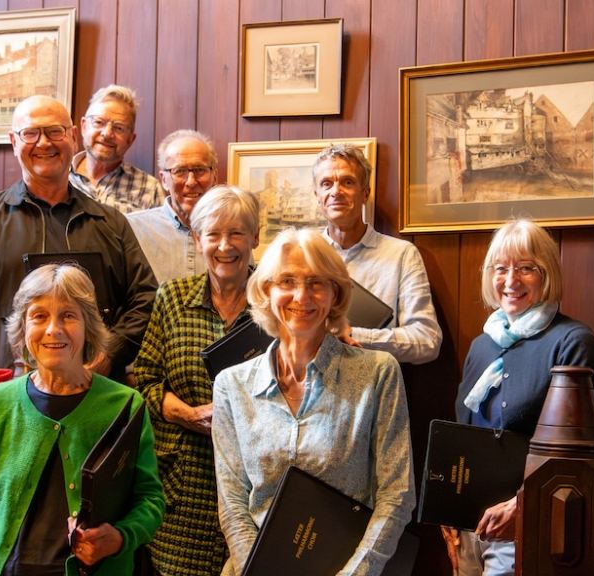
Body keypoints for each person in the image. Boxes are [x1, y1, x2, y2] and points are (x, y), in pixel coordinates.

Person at [0, 95, 157, 407]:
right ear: (14, 142)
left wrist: (110, 353)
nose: (44, 143)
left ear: (71, 136)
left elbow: (147, 299)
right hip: (3, 396)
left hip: (92, 398)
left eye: (54, 132)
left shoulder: (110, 222)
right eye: (30, 134)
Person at [0, 264, 165, 575]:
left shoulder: (125, 405)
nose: (53, 329)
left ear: (88, 326)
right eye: (39, 316)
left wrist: (121, 537)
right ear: (23, 328)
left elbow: (150, 501)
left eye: (68, 315)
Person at [212, 228, 415, 576]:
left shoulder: (378, 374)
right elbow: (231, 502)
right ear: (266, 291)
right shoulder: (232, 385)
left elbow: (397, 495)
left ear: (335, 294)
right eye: (287, 281)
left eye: (317, 283)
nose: (301, 296)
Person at [445, 219, 594, 575]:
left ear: (548, 273)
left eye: (526, 269)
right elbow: (462, 434)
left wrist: (521, 508)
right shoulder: (482, 345)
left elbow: (577, 462)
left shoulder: (573, 342)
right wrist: (448, 513)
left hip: (530, 526)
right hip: (472, 525)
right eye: (500, 268)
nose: (510, 280)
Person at [134, 186, 260, 575]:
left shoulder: (275, 303)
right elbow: (146, 381)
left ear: (255, 238)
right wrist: (187, 414)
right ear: (196, 238)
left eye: (237, 233)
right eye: (213, 234)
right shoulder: (173, 297)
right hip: (184, 484)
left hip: (256, 484)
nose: (225, 246)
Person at [314, 144, 441, 364]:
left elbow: (427, 341)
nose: (336, 191)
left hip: (374, 387)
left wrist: (353, 335)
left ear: (365, 193)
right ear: (317, 195)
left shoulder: (402, 255)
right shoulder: (301, 256)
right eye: (327, 183)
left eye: (347, 182)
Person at [127, 129, 218, 283]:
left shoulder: (232, 230)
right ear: (163, 179)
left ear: (214, 176)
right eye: (180, 171)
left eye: (200, 170)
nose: (191, 181)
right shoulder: (133, 229)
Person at [69, 84, 165, 213]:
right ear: (84, 126)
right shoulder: (56, 177)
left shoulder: (149, 188)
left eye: (119, 128)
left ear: (131, 139)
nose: (107, 134)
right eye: (98, 122)